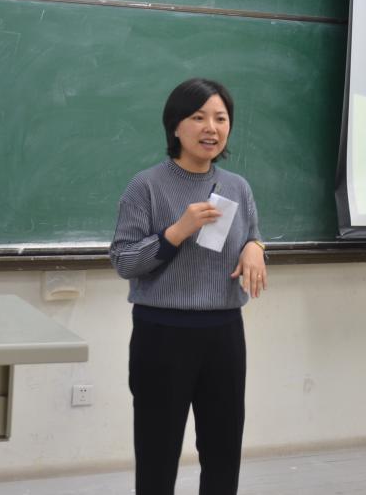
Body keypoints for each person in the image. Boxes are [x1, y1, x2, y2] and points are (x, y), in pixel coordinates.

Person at [109, 77, 268, 495]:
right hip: (162, 333)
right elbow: (124, 261)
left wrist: (255, 246)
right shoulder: (145, 185)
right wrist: (176, 232)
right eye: (198, 117)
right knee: (158, 452)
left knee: (223, 450)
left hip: (224, 332)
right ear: (175, 126)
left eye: (220, 118)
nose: (211, 128)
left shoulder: (237, 187)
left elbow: (251, 234)